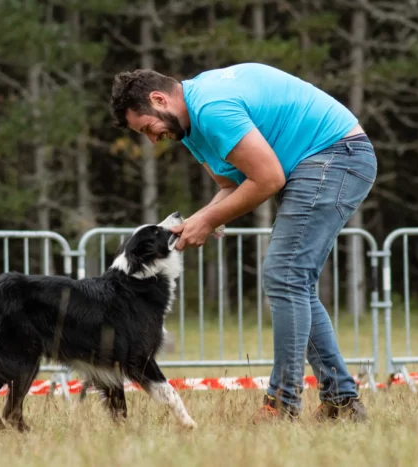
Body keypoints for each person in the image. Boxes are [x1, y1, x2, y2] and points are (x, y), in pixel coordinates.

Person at [110, 62, 376, 422]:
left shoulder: (212, 108)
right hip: (322, 159)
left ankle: (282, 404)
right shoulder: (191, 127)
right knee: (293, 282)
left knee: (285, 276)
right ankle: (341, 401)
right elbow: (230, 186)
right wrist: (201, 219)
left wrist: (208, 220)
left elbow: (268, 178)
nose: (152, 140)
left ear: (159, 99)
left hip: (336, 155)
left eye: (147, 128)